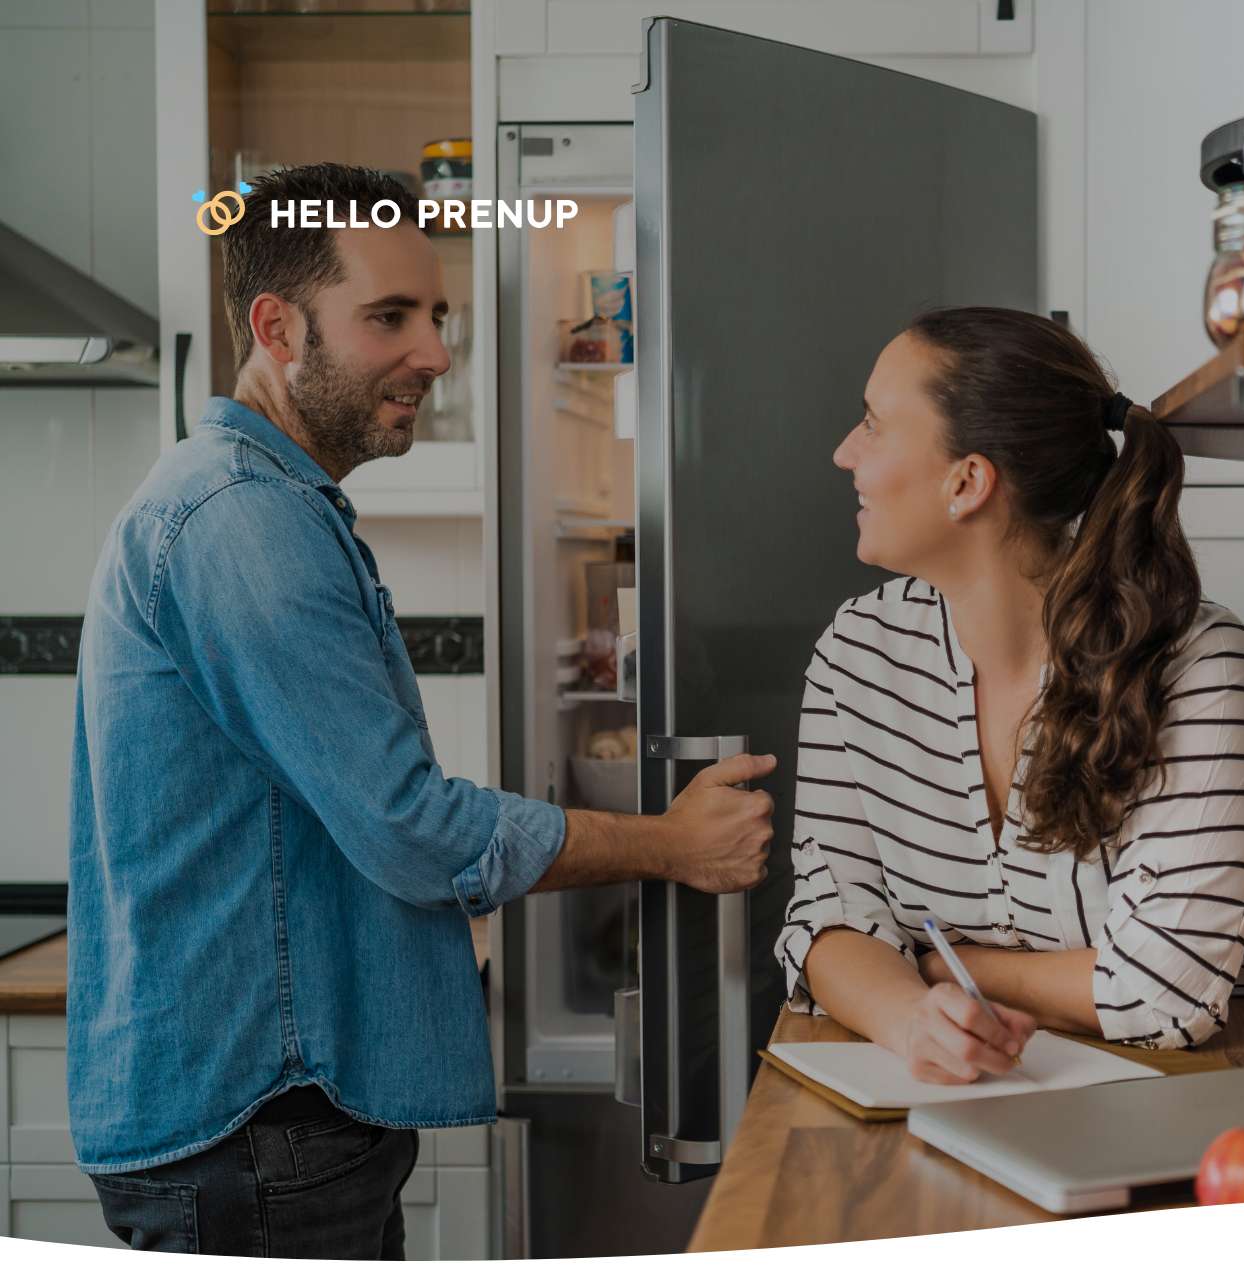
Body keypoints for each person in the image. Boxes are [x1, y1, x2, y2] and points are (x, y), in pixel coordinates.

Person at [69, 164, 775, 1257]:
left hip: (262, 1125)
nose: (437, 353)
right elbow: (409, 827)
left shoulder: (264, 504)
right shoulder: (242, 524)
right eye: (389, 316)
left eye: (435, 315)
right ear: (278, 327)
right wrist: (671, 843)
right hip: (261, 1128)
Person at [778, 307, 1244, 1085]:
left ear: (968, 482)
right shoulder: (857, 654)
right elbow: (827, 916)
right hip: (965, 1092)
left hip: (1206, 1090)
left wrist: (941, 968)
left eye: (874, 425)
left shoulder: (1189, 658)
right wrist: (912, 1020)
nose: (845, 452)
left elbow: (1168, 991)